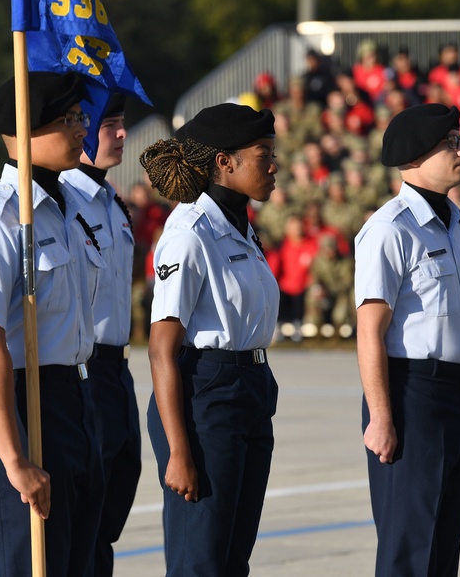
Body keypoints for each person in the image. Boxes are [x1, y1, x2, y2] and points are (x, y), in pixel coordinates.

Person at [0, 71, 104, 577]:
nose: (85, 128)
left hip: (74, 402)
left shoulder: (73, 208)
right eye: (70, 119)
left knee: (77, 562)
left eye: (82, 117)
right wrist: (15, 460)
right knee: (25, 564)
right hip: (20, 403)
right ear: (25, 130)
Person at [138, 102, 280, 576]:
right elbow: (162, 348)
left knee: (233, 556)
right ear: (226, 162)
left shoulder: (240, 225)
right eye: (264, 154)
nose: (274, 165)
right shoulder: (189, 232)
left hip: (250, 389)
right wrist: (179, 451)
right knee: (200, 558)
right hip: (206, 396)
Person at [353, 103, 460, 576]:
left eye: (459, 140)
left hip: (456, 394)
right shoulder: (390, 229)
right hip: (412, 395)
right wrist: (382, 416)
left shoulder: (457, 225)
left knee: (445, 549)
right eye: (450, 143)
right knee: (410, 549)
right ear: (414, 156)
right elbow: (370, 330)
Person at [61, 93, 141, 576]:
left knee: (109, 510)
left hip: (116, 370)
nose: (121, 134)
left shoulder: (112, 202)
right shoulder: (60, 202)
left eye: (121, 123)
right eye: (110, 124)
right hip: (81, 372)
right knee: (79, 518)